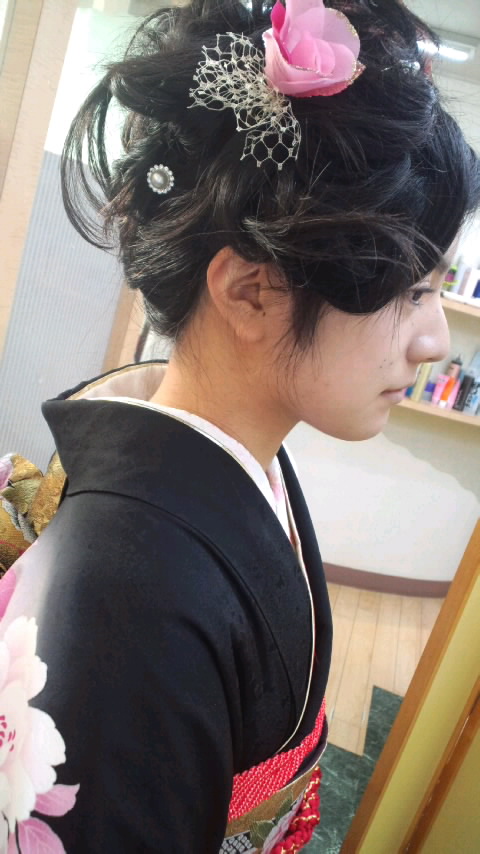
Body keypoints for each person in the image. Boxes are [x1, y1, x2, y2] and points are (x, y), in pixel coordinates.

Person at [1, 0, 479, 851]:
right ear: (251, 291)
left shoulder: (239, 460)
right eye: (409, 291)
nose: (435, 339)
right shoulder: (129, 606)